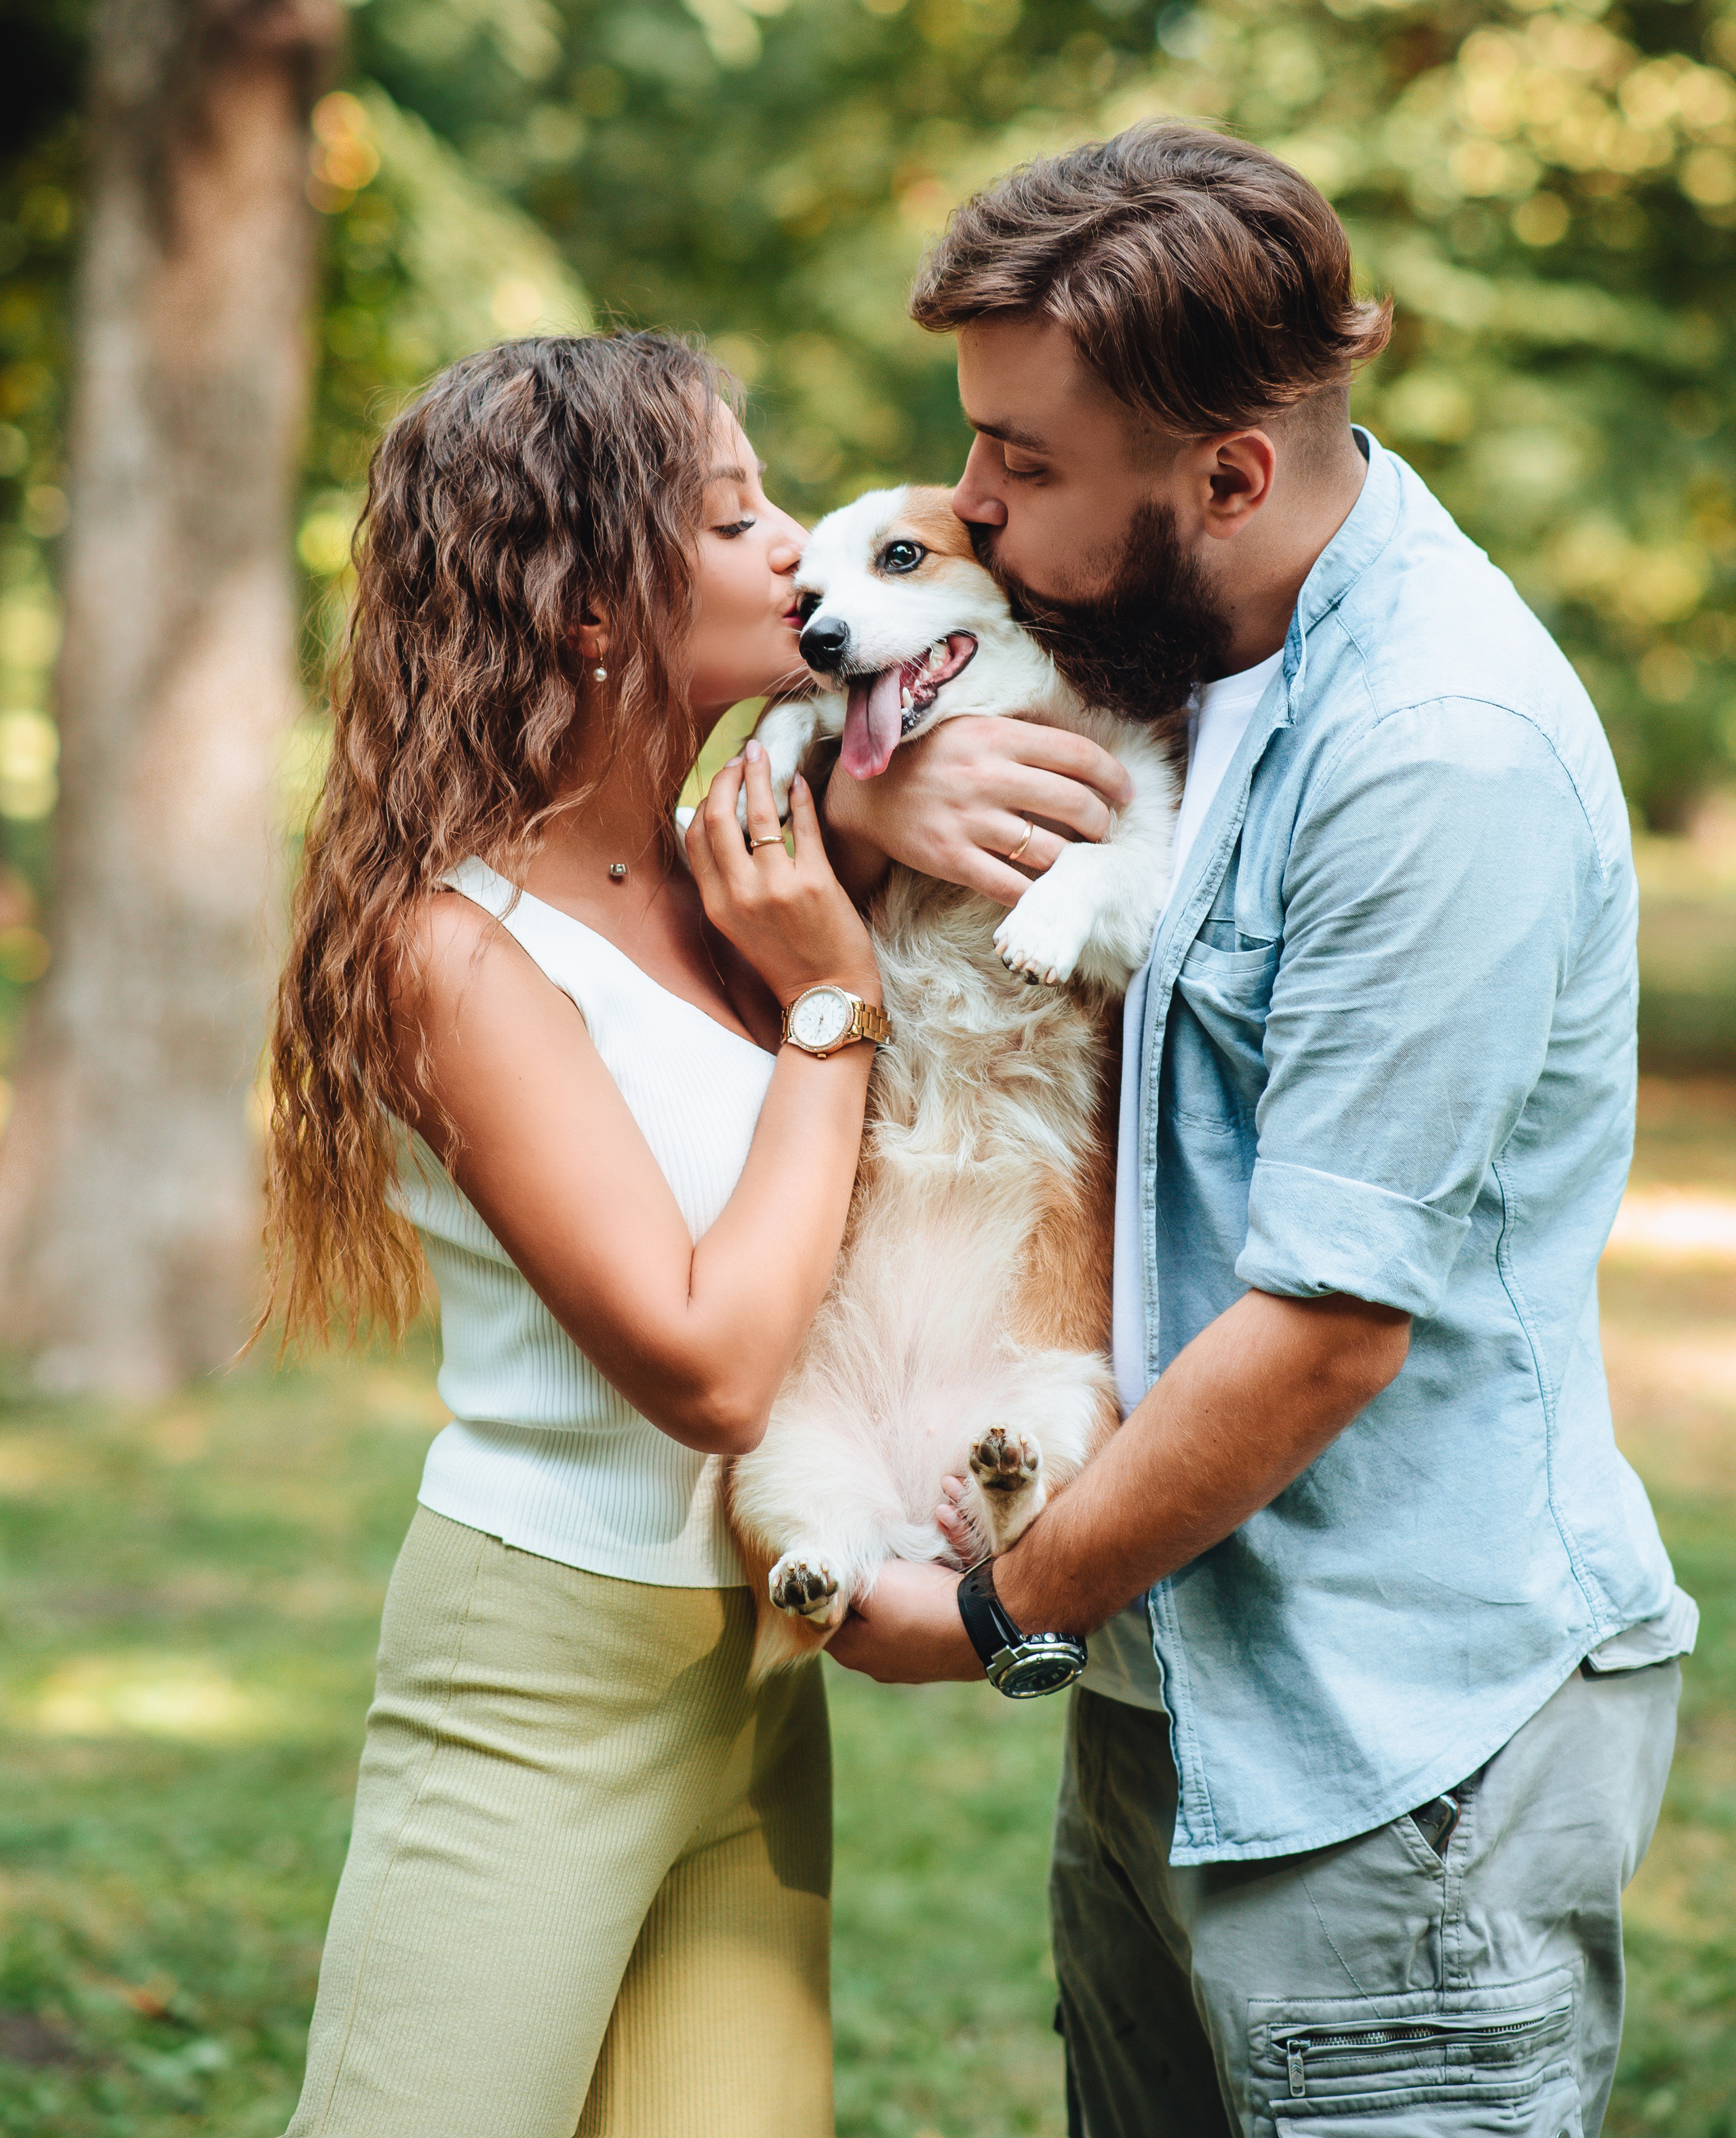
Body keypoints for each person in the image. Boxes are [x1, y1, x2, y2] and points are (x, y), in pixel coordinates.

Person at [823, 124, 1696, 2138]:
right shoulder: (1185, 648)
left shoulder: (1430, 752)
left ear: (1227, 475)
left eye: (1021, 466)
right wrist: (876, 808)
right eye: (979, 443)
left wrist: (991, 1618)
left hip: (1394, 1746)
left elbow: (1328, 1331)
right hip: (1177, 1678)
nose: (969, 505)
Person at [264, 332, 884, 2138]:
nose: (796, 543)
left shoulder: (736, 871)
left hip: (756, 1665)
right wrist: (832, 1011)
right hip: (540, 1661)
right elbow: (706, 1360)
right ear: (594, 607)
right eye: (733, 516)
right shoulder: (451, 951)